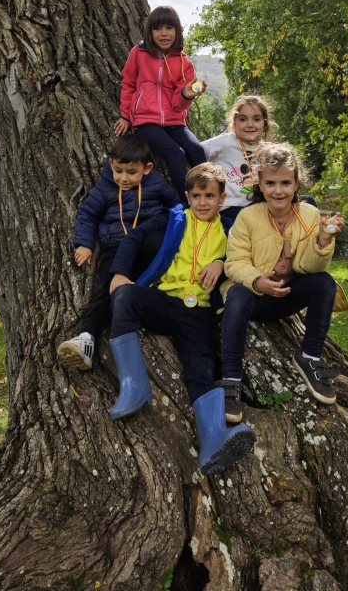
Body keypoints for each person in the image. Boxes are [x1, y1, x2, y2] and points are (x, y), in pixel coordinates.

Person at [107, 163, 256, 475]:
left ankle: (213, 441)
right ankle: (133, 386)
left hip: (198, 311)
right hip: (164, 299)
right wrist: (121, 274)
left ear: (222, 198)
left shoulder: (229, 229)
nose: (203, 202)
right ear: (188, 196)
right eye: (197, 195)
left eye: (210, 196)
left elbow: (244, 255)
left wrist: (220, 261)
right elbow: (134, 238)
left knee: (202, 366)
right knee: (125, 297)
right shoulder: (173, 217)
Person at [218, 143, 348, 423]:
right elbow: (234, 262)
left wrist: (324, 241)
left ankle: (309, 357)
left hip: (287, 294)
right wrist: (257, 281)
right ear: (259, 184)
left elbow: (309, 267)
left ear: (297, 182)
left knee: (324, 282)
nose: (279, 190)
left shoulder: (310, 215)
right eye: (271, 183)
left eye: (286, 183)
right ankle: (230, 379)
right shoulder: (247, 217)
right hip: (253, 297)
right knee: (237, 294)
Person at [57, 134, 179, 370]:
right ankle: (86, 339)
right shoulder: (105, 188)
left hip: (148, 248)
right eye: (119, 170)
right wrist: (84, 243)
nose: (124, 178)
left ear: (147, 168)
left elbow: (175, 208)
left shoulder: (156, 184)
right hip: (117, 248)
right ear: (111, 164)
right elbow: (88, 214)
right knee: (107, 287)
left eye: (132, 172)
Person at [114, 5, 207, 202]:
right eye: (157, 29)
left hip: (174, 122)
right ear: (150, 31)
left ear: (177, 31)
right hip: (146, 121)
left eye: (169, 28)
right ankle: (188, 203)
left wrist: (186, 94)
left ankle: (207, 193)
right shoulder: (139, 53)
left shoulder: (184, 64)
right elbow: (128, 83)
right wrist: (125, 116)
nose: (163, 34)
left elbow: (177, 105)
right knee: (176, 154)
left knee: (197, 150)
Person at [203, 94, 275, 222]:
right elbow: (194, 152)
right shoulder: (225, 142)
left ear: (265, 123)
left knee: (307, 201)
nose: (250, 124)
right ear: (234, 123)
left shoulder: (267, 151)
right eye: (243, 119)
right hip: (229, 208)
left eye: (256, 119)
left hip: (257, 205)